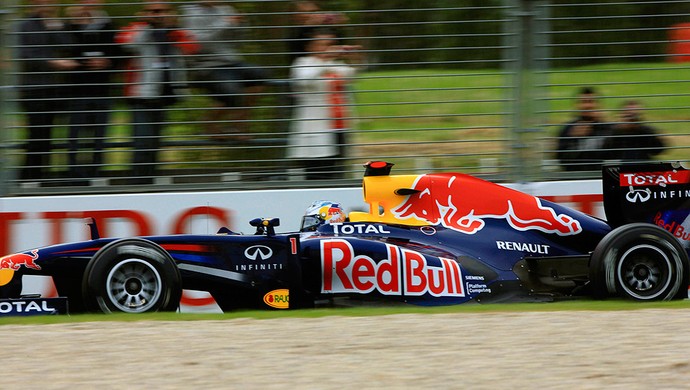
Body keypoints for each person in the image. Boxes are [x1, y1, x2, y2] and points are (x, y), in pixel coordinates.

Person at [116, 2, 198, 184]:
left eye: (161, 11)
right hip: (140, 94)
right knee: (143, 142)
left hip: (164, 95)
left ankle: (149, 182)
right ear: (143, 13)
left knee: (153, 144)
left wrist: (172, 28)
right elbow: (127, 43)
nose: (157, 14)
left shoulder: (176, 32)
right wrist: (147, 25)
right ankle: (138, 184)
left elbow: (191, 48)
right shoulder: (137, 29)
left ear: (170, 12)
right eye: (152, 11)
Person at [180, 1, 269, 139]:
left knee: (259, 75)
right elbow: (199, 45)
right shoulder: (190, 13)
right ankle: (209, 122)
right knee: (232, 92)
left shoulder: (226, 9)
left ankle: (238, 124)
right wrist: (226, 24)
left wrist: (240, 25)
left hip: (231, 62)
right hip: (206, 65)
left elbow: (237, 43)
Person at [15, 0, 79, 181]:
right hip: (34, 89)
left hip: (55, 88)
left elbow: (68, 46)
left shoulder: (55, 24)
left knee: (50, 134)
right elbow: (24, 55)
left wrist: (57, 27)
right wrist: (53, 62)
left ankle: (43, 175)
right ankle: (30, 177)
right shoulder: (24, 26)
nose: (49, 6)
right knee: (38, 134)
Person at [287, 28, 362, 180]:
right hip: (316, 129)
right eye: (323, 44)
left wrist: (355, 57)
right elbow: (304, 80)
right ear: (310, 47)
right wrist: (324, 62)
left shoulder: (337, 65)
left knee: (338, 170)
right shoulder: (303, 63)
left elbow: (353, 74)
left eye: (330, 44)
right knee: (318, 171)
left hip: (339, 126)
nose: (328, 48)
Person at [64, 0, 118, 181]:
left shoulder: (108, 25)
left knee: (99, 135)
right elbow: (63, 51)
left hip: (102, 87)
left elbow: (118, 54)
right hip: (77, 88)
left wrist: (107, 62)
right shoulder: (70, 26)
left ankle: (96, 173)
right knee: (75, 135)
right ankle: (74, 175)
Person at [556, 87, 613, 172]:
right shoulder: (568, 130)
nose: (587, 106)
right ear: (577, 105)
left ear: (598, 105)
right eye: (583, 102)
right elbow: (563, 162)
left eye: (591, 101)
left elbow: (614, 155)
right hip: (576, 179)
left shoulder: (608, 129)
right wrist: (575, 139)